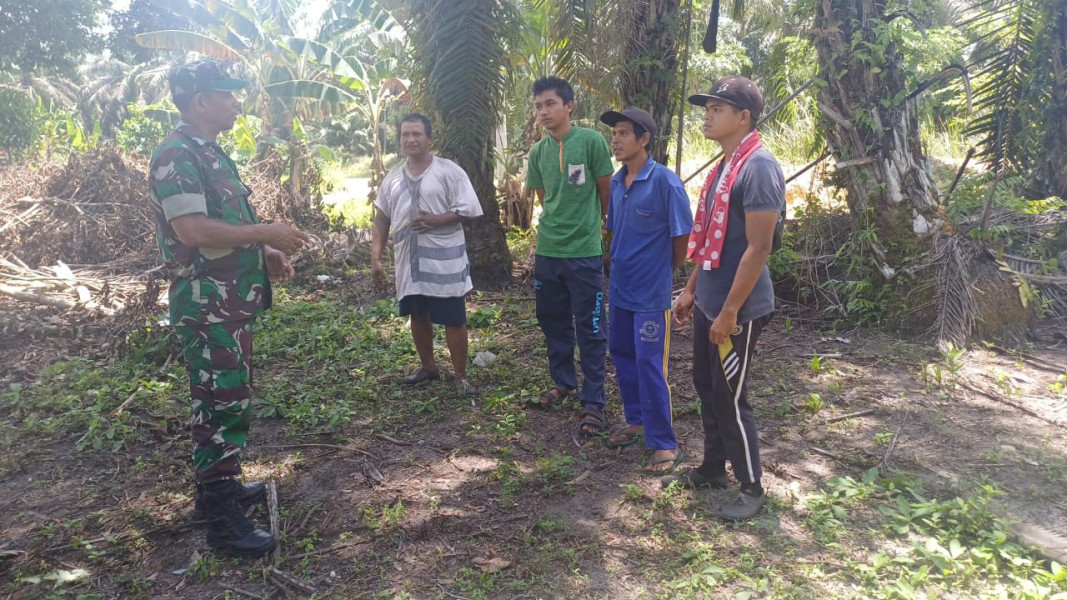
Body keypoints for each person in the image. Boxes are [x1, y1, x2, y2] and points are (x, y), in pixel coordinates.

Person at [149, 60, 309, 557]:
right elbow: (194, 232)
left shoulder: (211, 153)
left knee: (223, 399)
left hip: (230, 302)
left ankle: (215, 492)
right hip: (207, 305)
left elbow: (223, 226)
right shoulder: (176, 154)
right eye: (227, 94)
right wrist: (267, 232)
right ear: (201, 101)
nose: (236, 102)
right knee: (222, 403)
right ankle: (222, 522)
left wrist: (264, 253)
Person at [665, 76, 785, 521]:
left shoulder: (758, 168)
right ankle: (714, 467)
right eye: (706, 107)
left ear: (743, 117)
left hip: (740, 308)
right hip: (712, 299)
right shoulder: (724, 165)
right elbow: (713, 241)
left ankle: (751, 486)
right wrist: (692, 290)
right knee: (706, 385)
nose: (707, 114)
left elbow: (759, 248)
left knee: (731, 395)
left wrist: (730, 311)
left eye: (717, 108)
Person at [598, 107, 694, 474]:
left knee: (650, 364)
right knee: (622, 354)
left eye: (624, 133)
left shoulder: (665, 183)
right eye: (615, 134)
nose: (617, 140)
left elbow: (681, 240)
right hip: (619, 291)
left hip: (650, 296)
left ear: (645, 139)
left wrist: (663, 273)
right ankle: (636, 420)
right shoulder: (619, 183)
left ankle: (664, 443)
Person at [526, 76, 614, 438]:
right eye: (538, 106)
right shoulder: (537, 152)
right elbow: (546, 198)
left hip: (585, 253)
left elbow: (605, 192)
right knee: (552, 319)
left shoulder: (592, 142)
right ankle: (563, 383)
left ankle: (594, 401)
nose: (544, 112)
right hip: (549, 251)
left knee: (591, 325)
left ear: (569, 106)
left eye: (550, 104)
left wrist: (601, 231)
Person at [371, 113, 483, 396]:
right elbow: (381, 218)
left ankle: (460, 377)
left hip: (445, 259)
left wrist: (436, 220)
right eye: (405, 134)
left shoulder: (449, 172)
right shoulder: (393, 178)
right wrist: (375, 257)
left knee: (453, 317)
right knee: (417, 314)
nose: (410, 139)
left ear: (429, 139)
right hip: (409, 260)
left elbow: (468, 209)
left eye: (417, 134)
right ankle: (429, 367)